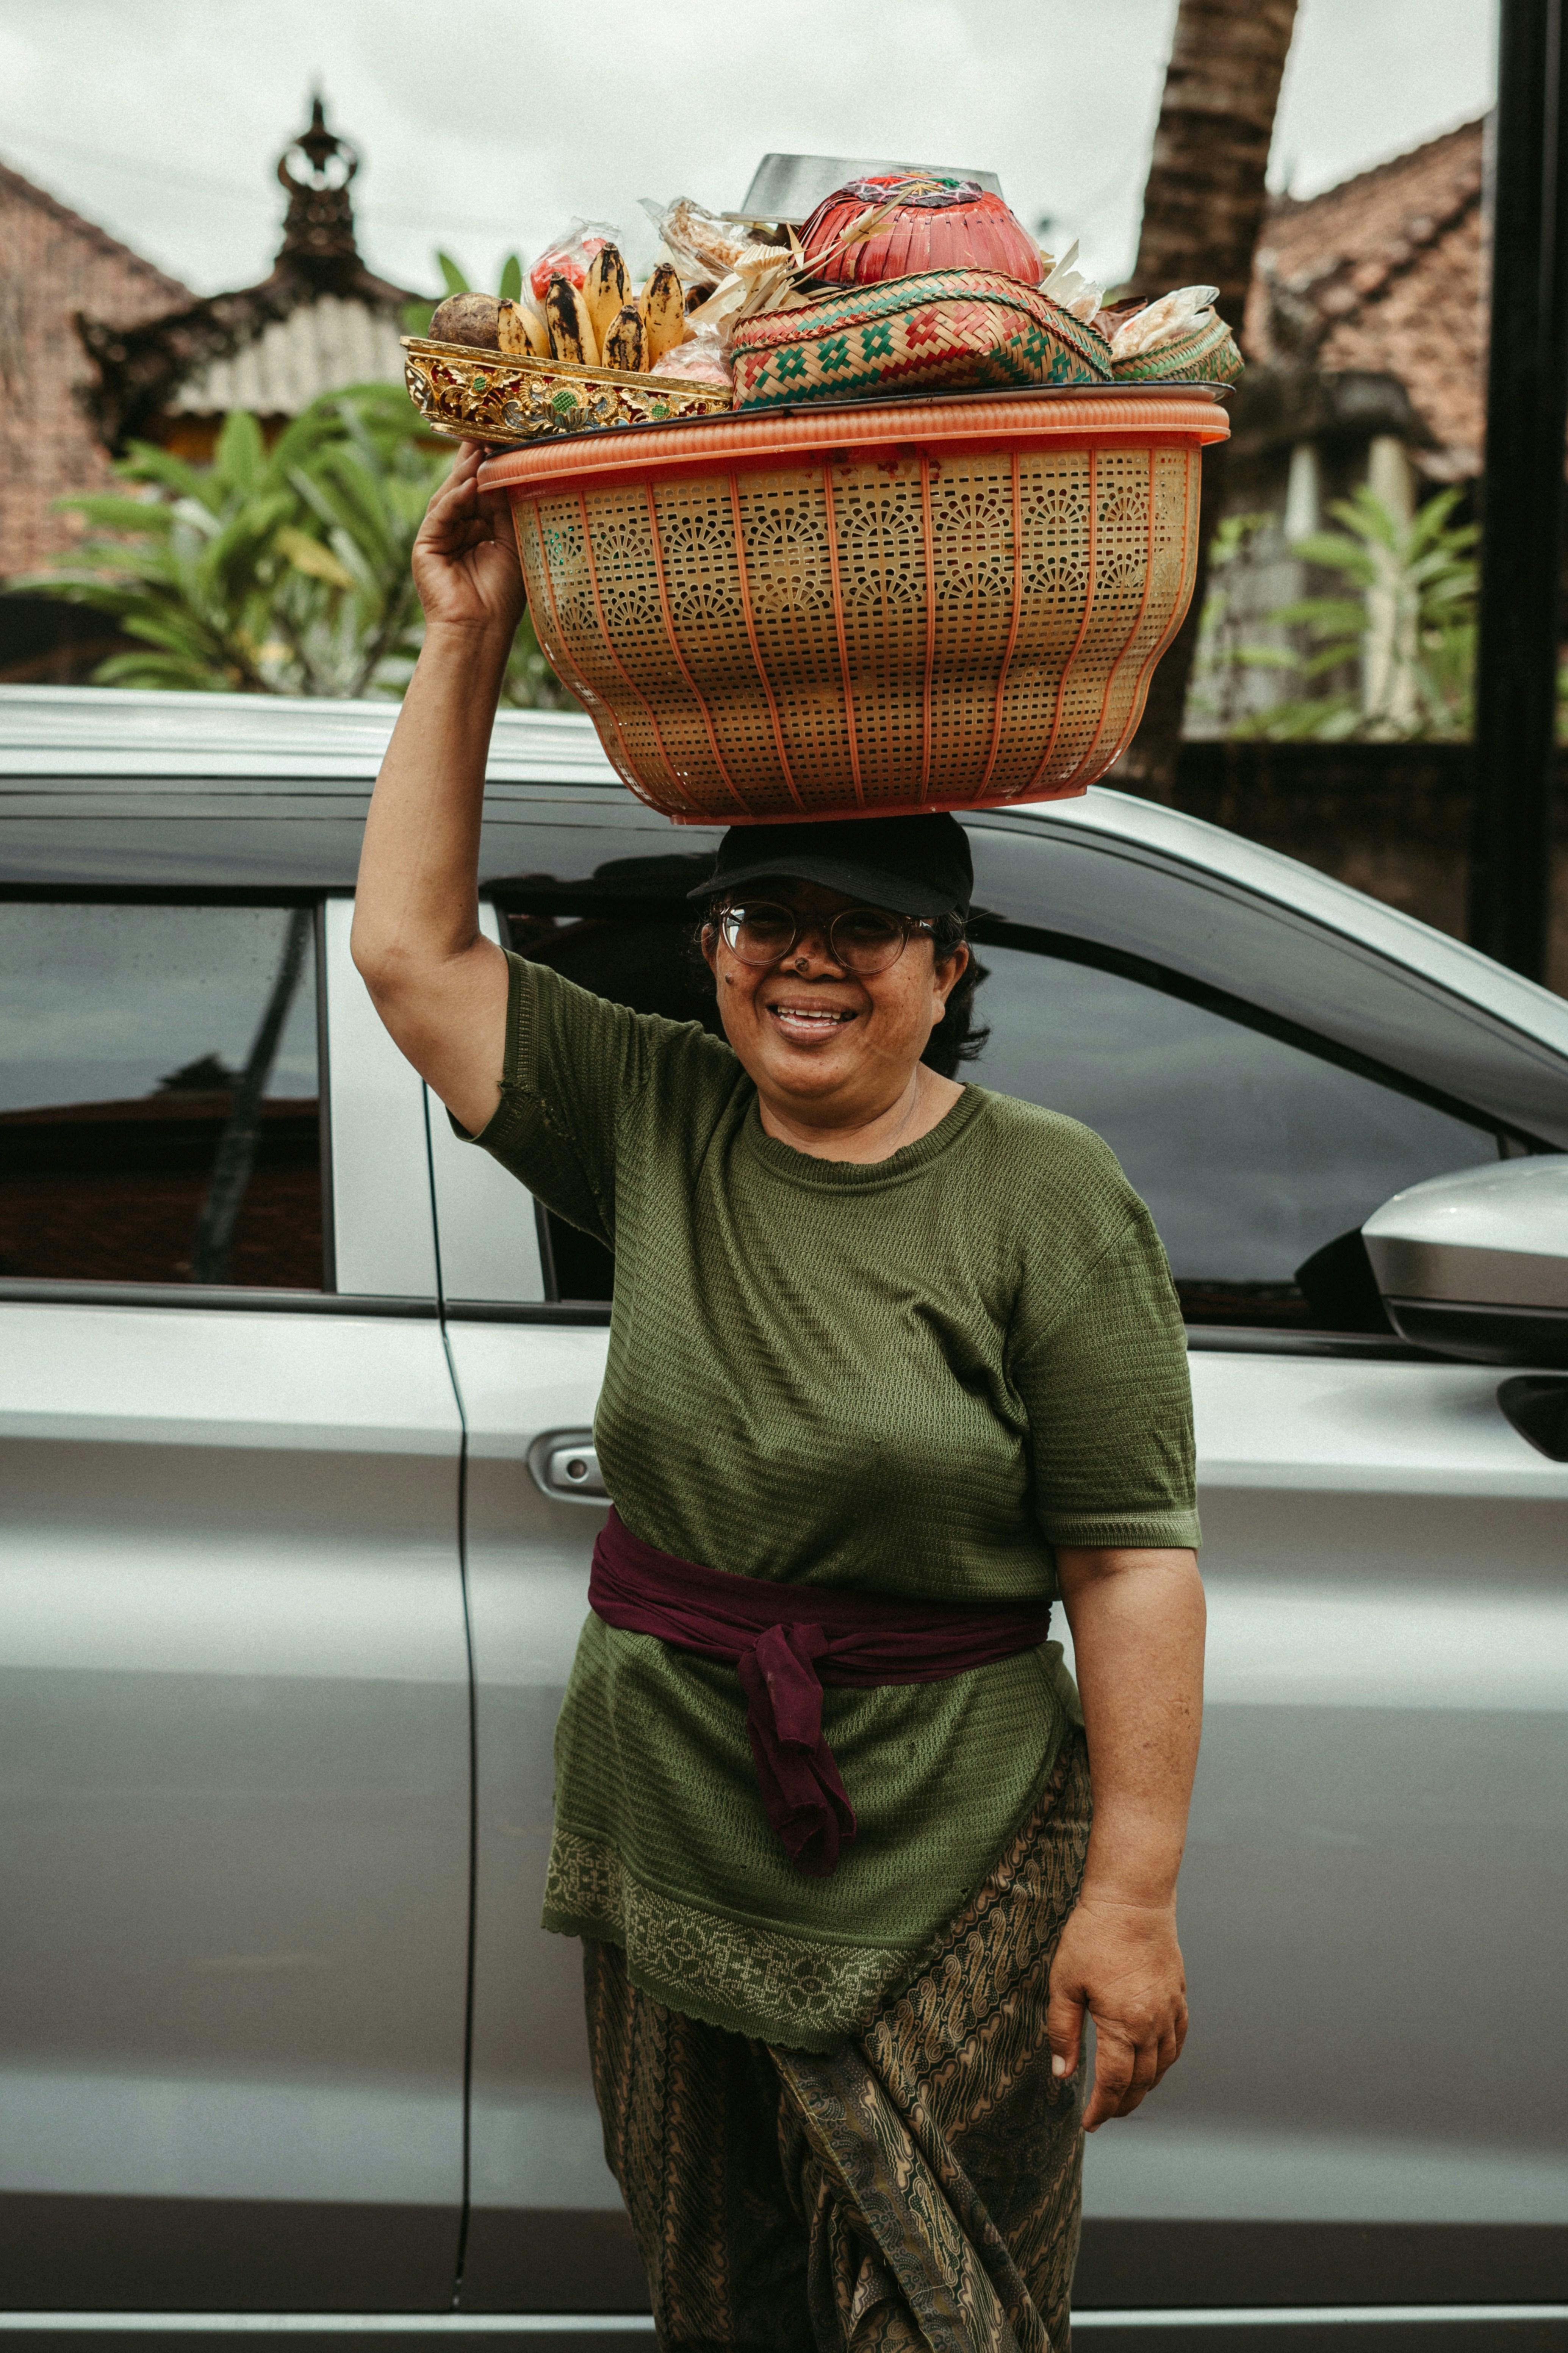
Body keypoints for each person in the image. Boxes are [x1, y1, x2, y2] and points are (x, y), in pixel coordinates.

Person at [353, 440, 1206, 2353]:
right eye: (764, 921)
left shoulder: (1049, 1194)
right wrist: (470, 634)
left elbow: (1132, 1563)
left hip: (958, 1837)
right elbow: (412, 954)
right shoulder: (658, 1117)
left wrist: (1132, 1897)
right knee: (722, 2302)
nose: (805, 961)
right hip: (678, 1814)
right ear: (716, 950)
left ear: (948, 963)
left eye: (861, 927)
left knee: (947, 2312)